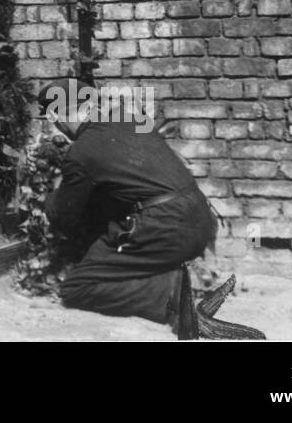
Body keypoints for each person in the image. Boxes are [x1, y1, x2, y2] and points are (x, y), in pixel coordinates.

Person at [43, 87, 264, 340]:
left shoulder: (80, 152)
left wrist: (50, 195)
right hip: (201, 221)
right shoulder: (128, 118)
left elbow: (62, 216)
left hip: (164, 227)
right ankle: (177, 285)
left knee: (76, 287)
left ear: (58, 118)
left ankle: (174, 299)